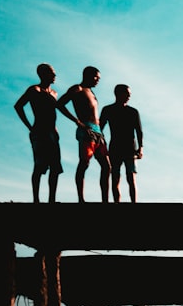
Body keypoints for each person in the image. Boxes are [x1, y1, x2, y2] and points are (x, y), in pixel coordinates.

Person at [56, 66, 111, 202]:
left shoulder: (91, 92)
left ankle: (105, 200)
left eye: (99, 78)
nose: (98, 80)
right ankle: (81, 199)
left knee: (107, 166)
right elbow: (60, 104)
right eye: (96, 77)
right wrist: (77, 121)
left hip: (98, 131)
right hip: (86, 130)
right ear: (87, 75)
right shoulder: (77, 89)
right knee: (84, 163)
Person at [14, 63, 63, 203]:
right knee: (40, 165)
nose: (54, 75)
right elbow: (18, 106)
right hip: (39, 131)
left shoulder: (54, 93)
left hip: (53, 133)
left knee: (55, 167)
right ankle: (36, 199)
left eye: (54, 73)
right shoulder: (35, 90)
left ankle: (51, 200)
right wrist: (29, 126)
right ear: (42, 74)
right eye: (51, 72)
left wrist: (56, 130)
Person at [99, 84, 143, 202]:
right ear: (118, 94)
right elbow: (99, 129)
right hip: (115, 148)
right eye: (127, 93)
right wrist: (102, 143)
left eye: (130, 94)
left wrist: (140, 148)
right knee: (115, 177)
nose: (129, 96)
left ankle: (134, 202)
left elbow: (139, 131)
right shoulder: (108, 110)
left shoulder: (133, 111)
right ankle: (116, 202)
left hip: (130, 148)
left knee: (131, 177)